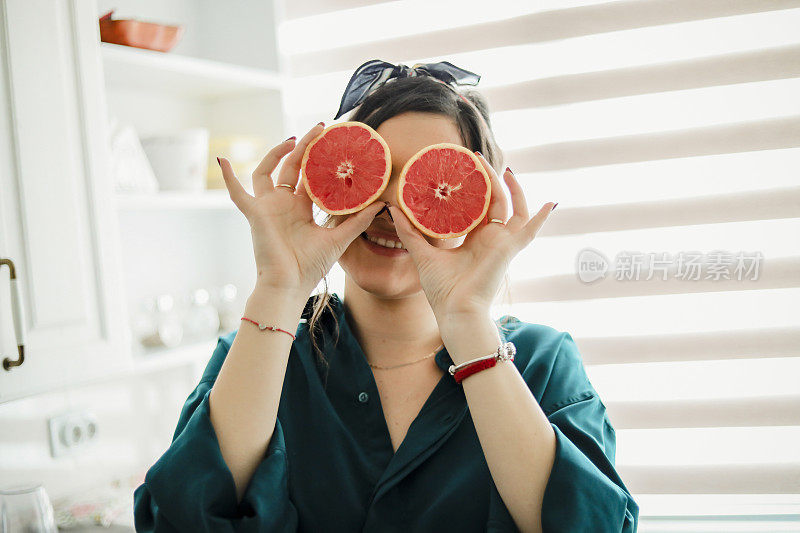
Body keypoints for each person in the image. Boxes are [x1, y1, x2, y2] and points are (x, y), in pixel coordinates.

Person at [133, 60, 639, 532]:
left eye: (427, 180)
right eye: (373, 175)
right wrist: (279, 287)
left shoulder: (543, 365)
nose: (393, 210)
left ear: (475, 202)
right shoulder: (257, 356)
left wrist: (466, 320)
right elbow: (178, 519)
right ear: (329, 182)